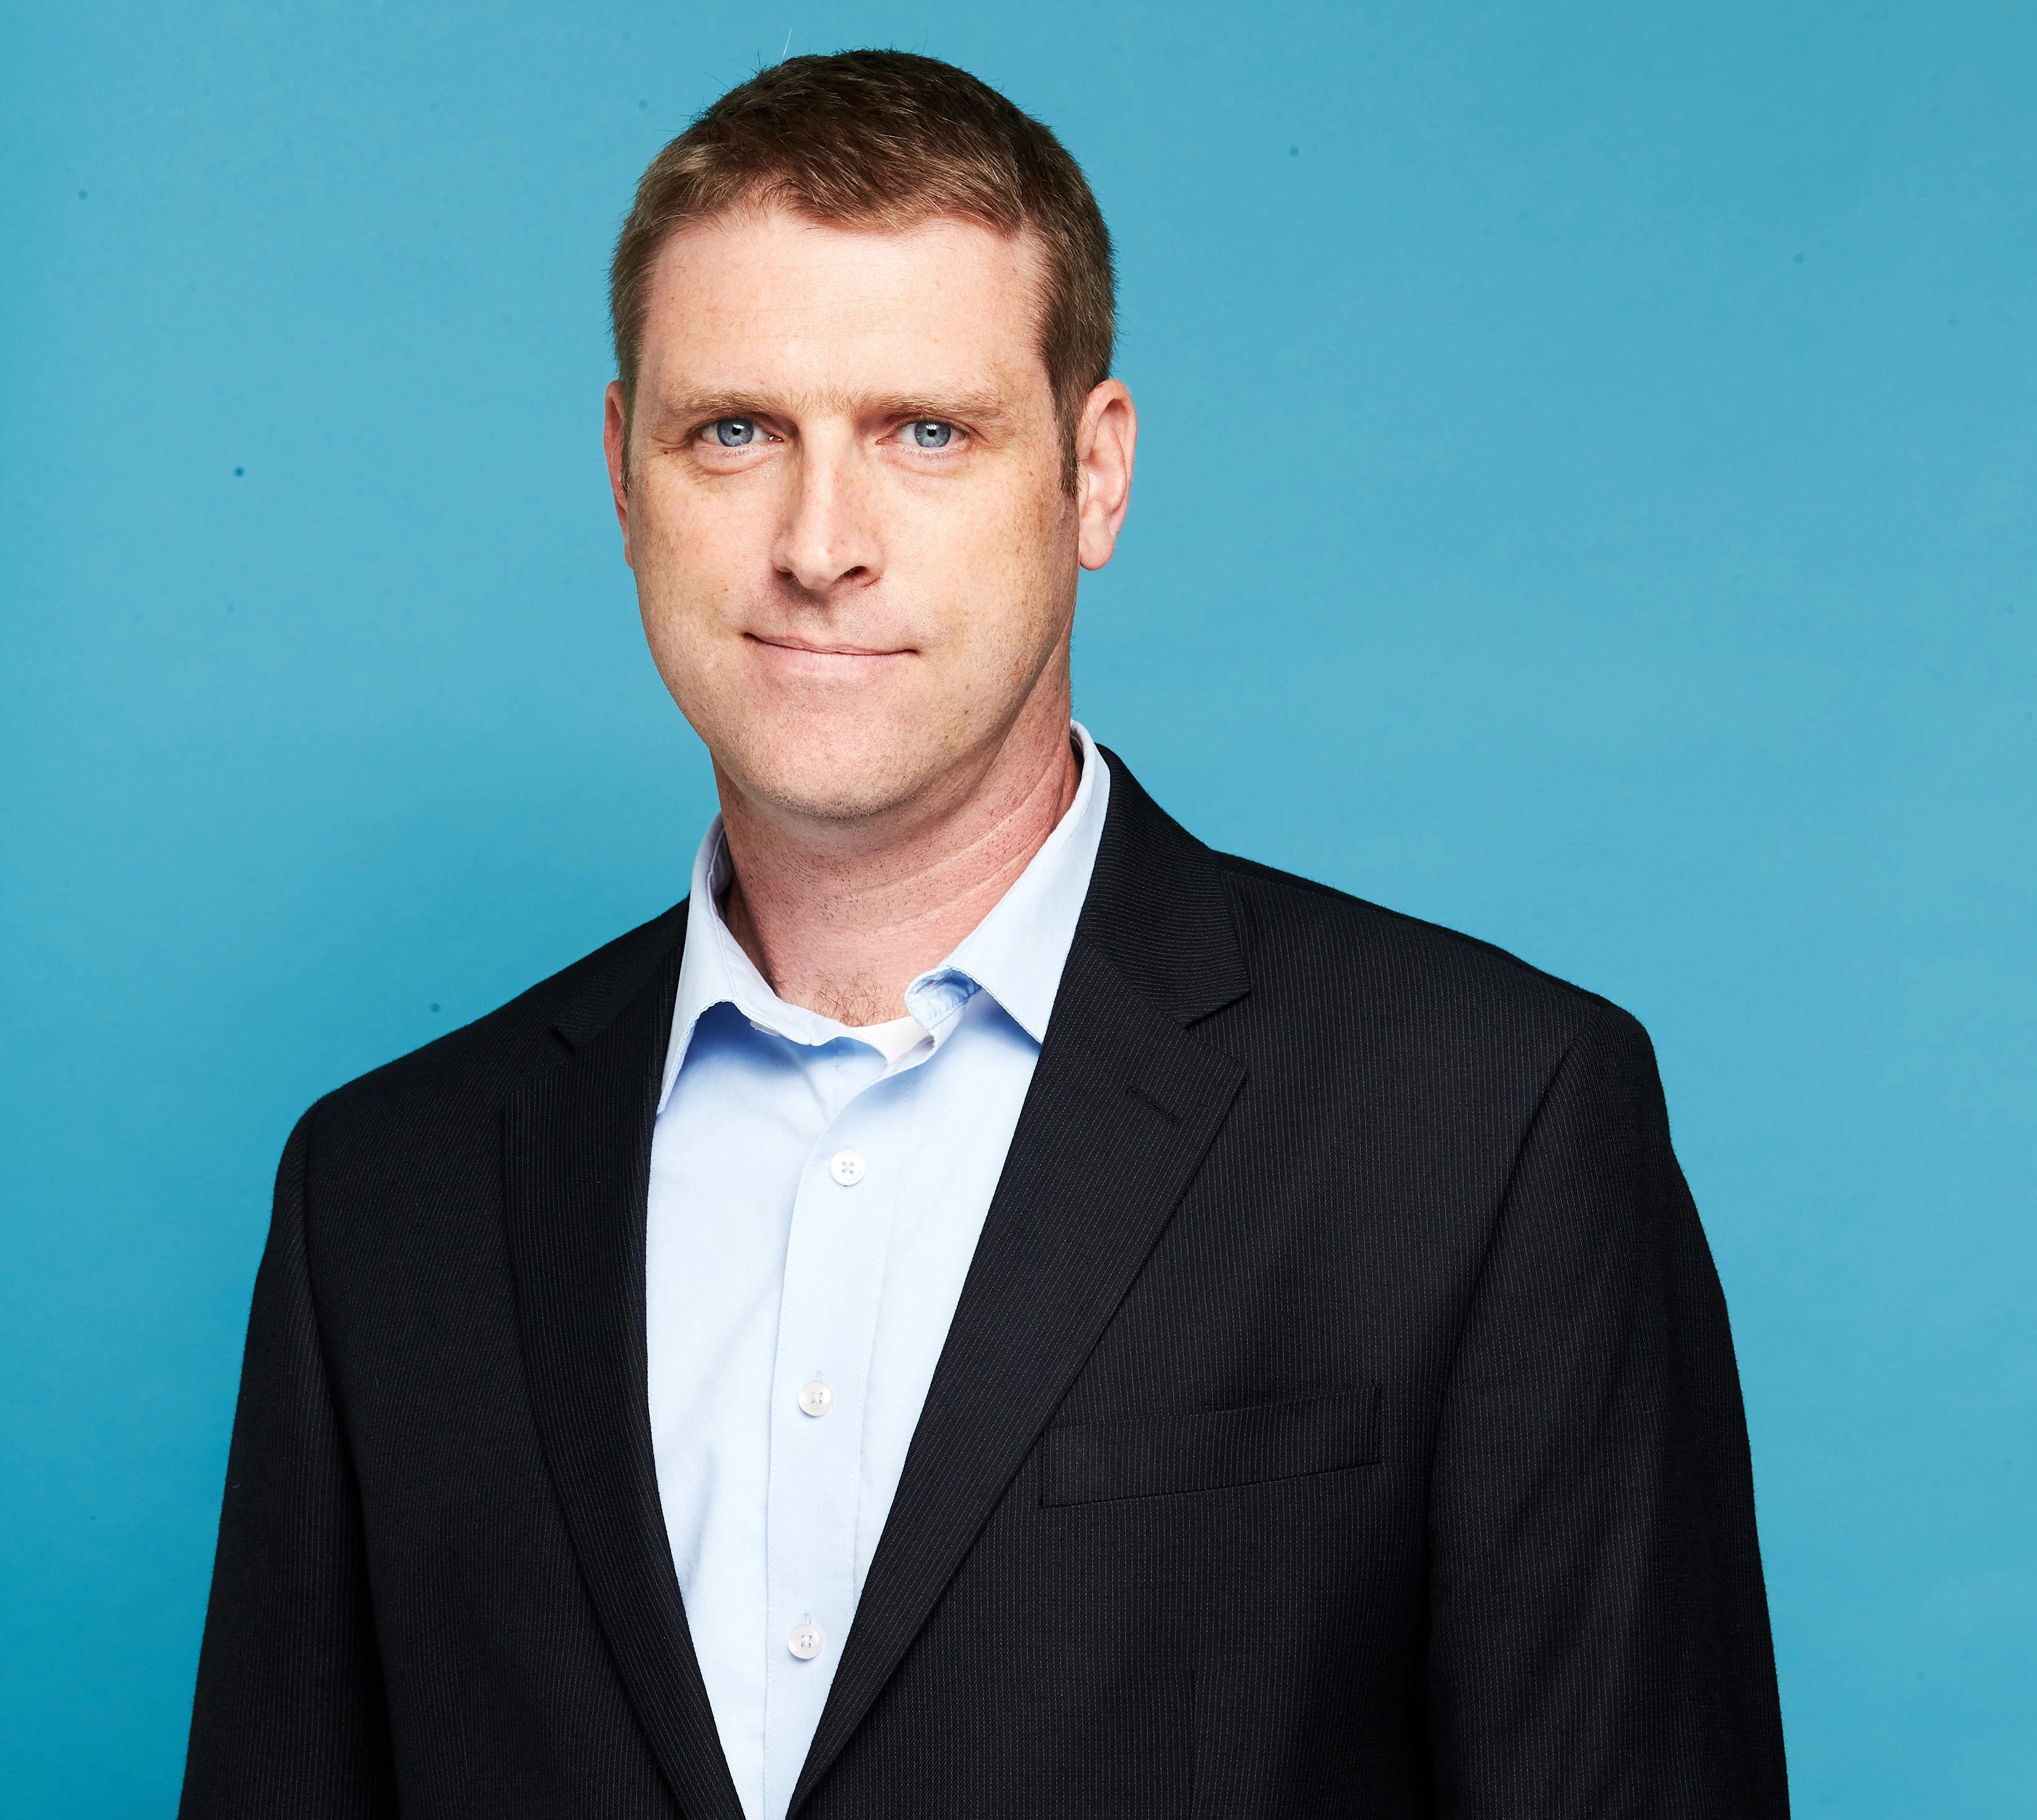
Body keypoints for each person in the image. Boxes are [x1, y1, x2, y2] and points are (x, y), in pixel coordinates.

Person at [178, 49, 1788, 1820]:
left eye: (925, 433)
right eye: (736, 433)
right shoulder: (382, 1198)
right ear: (624, 476)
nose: (820, 544)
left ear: (1095, 476)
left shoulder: (1490, 1123)